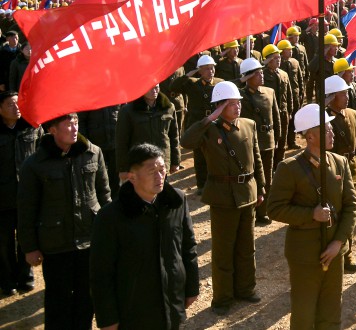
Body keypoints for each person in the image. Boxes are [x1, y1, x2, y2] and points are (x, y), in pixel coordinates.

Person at [89, 144, 199, 330]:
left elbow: (188, 247)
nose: (160, 176)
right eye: (152, 172)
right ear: (132, 177)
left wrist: (191, 288)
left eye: (162, 169)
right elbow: (101, 272)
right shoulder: (111, 217)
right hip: (134, 310)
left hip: (171, 302)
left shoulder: (176, 202)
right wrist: (108, 318)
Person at [18, 112, 111, 329]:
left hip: (88, 238)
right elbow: (26, 209)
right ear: (52, 129)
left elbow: (105, 196)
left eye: (76, 123)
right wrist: (30, 247)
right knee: (57, 301)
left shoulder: (93, 153)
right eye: (68, 125)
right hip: (55, 243)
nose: (74, 128)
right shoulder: (35, 164)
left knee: (86, 298)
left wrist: (109, 235)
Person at [268, 104, 356, 330]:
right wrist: (311, 215)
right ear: (309, 136)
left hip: (334, 250)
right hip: (305, 253)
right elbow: (275, 209)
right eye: (326, 128)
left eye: (330, 127)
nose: (332, 132)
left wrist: (339, 243)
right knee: (304, 315)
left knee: (331, 312)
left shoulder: (340, 162)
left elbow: (351, 206)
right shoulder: (289, 168)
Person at [179, 81, 265, 315]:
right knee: (223, 251)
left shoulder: (249, 125)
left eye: (238, 102)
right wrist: (209, 118)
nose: (237, 107)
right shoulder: (208, 130)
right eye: (231, 103)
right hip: (222, 196)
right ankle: (223, 298)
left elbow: (256, 158)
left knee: (247, 247)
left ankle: (246, 289)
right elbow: (186, 141)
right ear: (219, 106)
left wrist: (261, 187)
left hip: (247, 193)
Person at [0, 91, 40, 296]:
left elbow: (41, 155)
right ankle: (6, 279)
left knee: (26, 237)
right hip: (3, 197)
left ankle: (26, 275)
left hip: (26, 194)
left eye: (18, 103)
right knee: (4, 241)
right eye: (10, 104)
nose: (16, 108)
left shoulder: (31, 128)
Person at [324, 74, 356, 274]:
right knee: (336, 214)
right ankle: (339, 253)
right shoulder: (324, 120)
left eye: (347, 93)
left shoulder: (353, 114)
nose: (347, 97)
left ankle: (348, 254)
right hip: (335, 172)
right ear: (331, 97)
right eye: (342, 94)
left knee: (350, 213)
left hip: (352, 168)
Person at [115, 83, 181, 188]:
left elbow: (174, 136)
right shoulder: (128, 111)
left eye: (156, 87)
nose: (154, 91)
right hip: (140, 164)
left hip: (162, 161)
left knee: (160, 193)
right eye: (150, 88)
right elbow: (122, 141)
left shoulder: (169, 107)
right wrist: (123, 168)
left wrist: (175, 161)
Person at [238, 58, 278, 226]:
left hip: (267, 142)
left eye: (261, 72)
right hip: (249, 143)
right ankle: (251, 210)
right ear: (248, 77)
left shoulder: (269, 92)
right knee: (251, 177)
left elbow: (276, 117)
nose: (261, 76)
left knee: (266, 179)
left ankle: (263, 212)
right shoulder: (241, 96)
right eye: (257, 74)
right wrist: (242, 79)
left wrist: (278, 139)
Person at [179, 55, 221, 193]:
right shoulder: (192, 84)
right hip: (197, 124)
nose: (211, 71)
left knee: (215, 153)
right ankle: (202, 185)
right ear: (200, 71)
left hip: (214, 123)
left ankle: (215, 182)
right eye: (207, 69)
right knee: (199, 156)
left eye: (212, 68)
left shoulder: (219, 83)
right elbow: (175, 86)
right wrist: (189, 74)